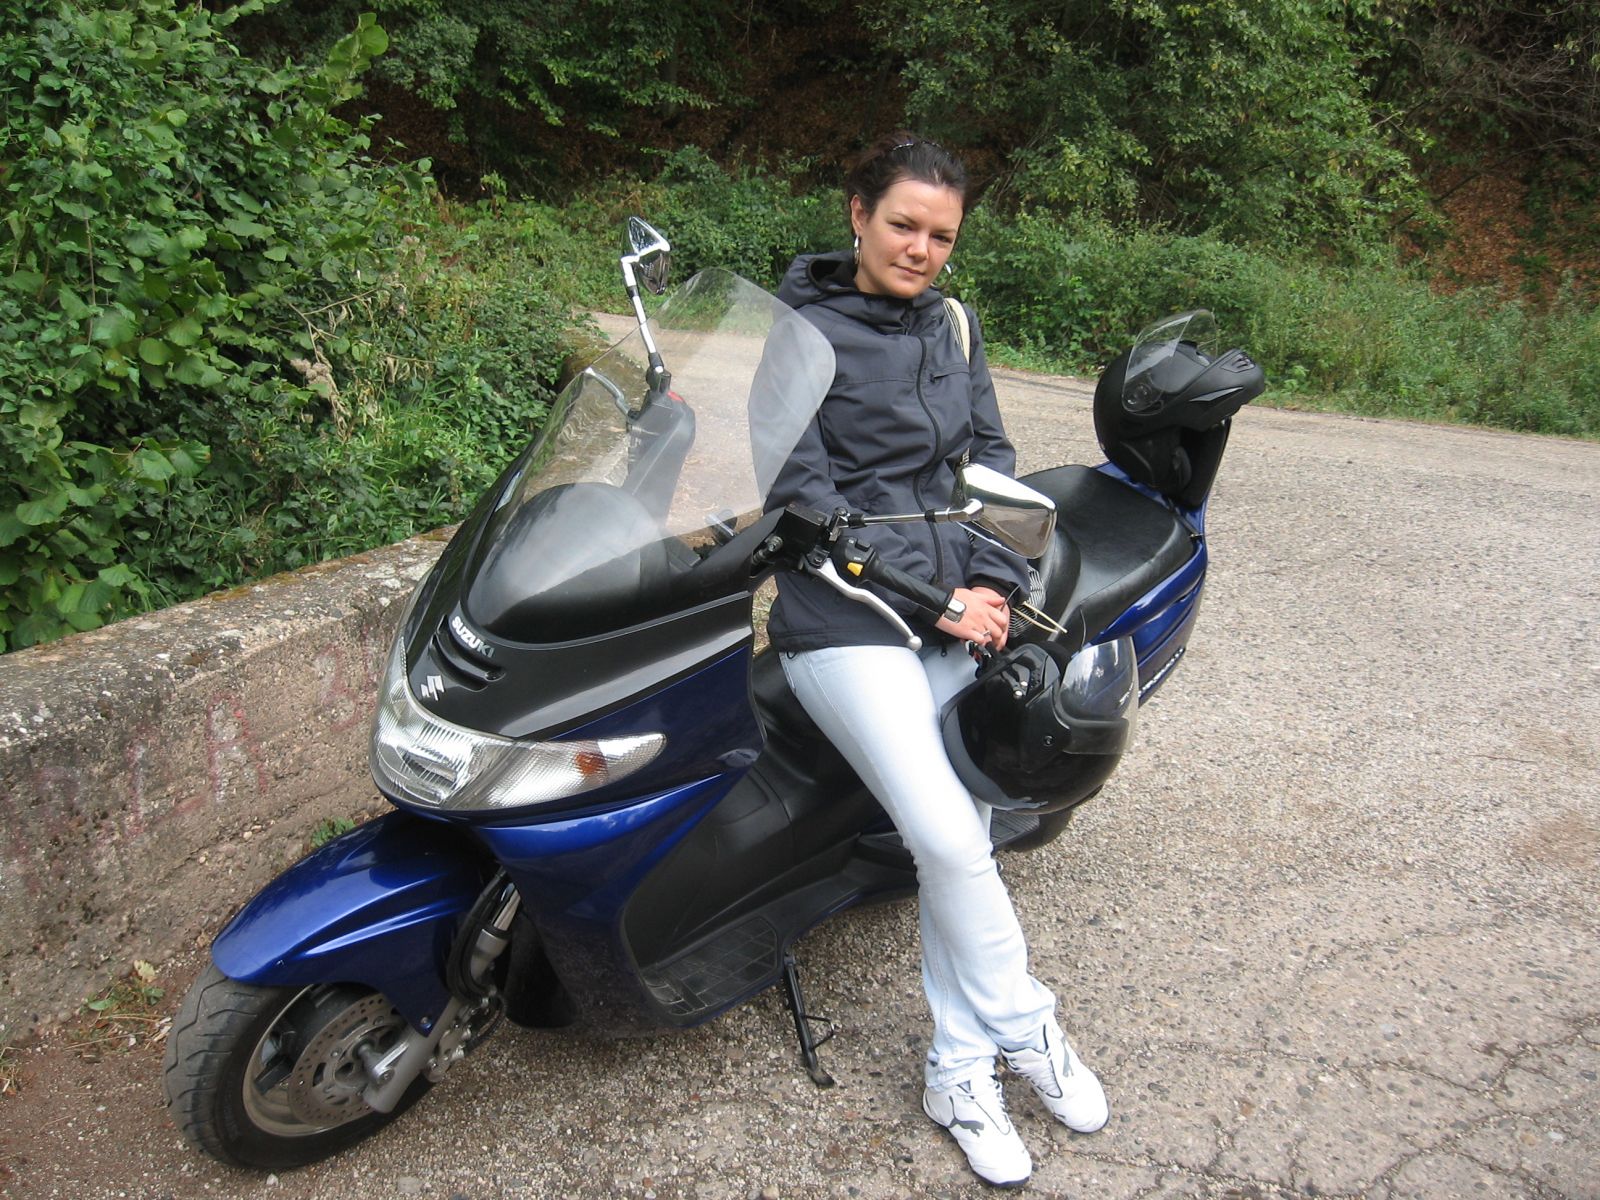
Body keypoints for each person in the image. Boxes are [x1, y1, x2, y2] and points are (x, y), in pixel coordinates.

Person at [762, 132, 1110, 1188]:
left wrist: (994, 585)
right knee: (948, 836)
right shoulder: (797, 336)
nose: (920, 249)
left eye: (941, 236)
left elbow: (989, 466)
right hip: (842, 619)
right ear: (856, 214)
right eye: (902, 225)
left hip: (953, 609)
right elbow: (805, 507)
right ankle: (1029, 1027)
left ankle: (958, 1070)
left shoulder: (954, 326)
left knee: (974, 830)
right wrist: (939, 597)